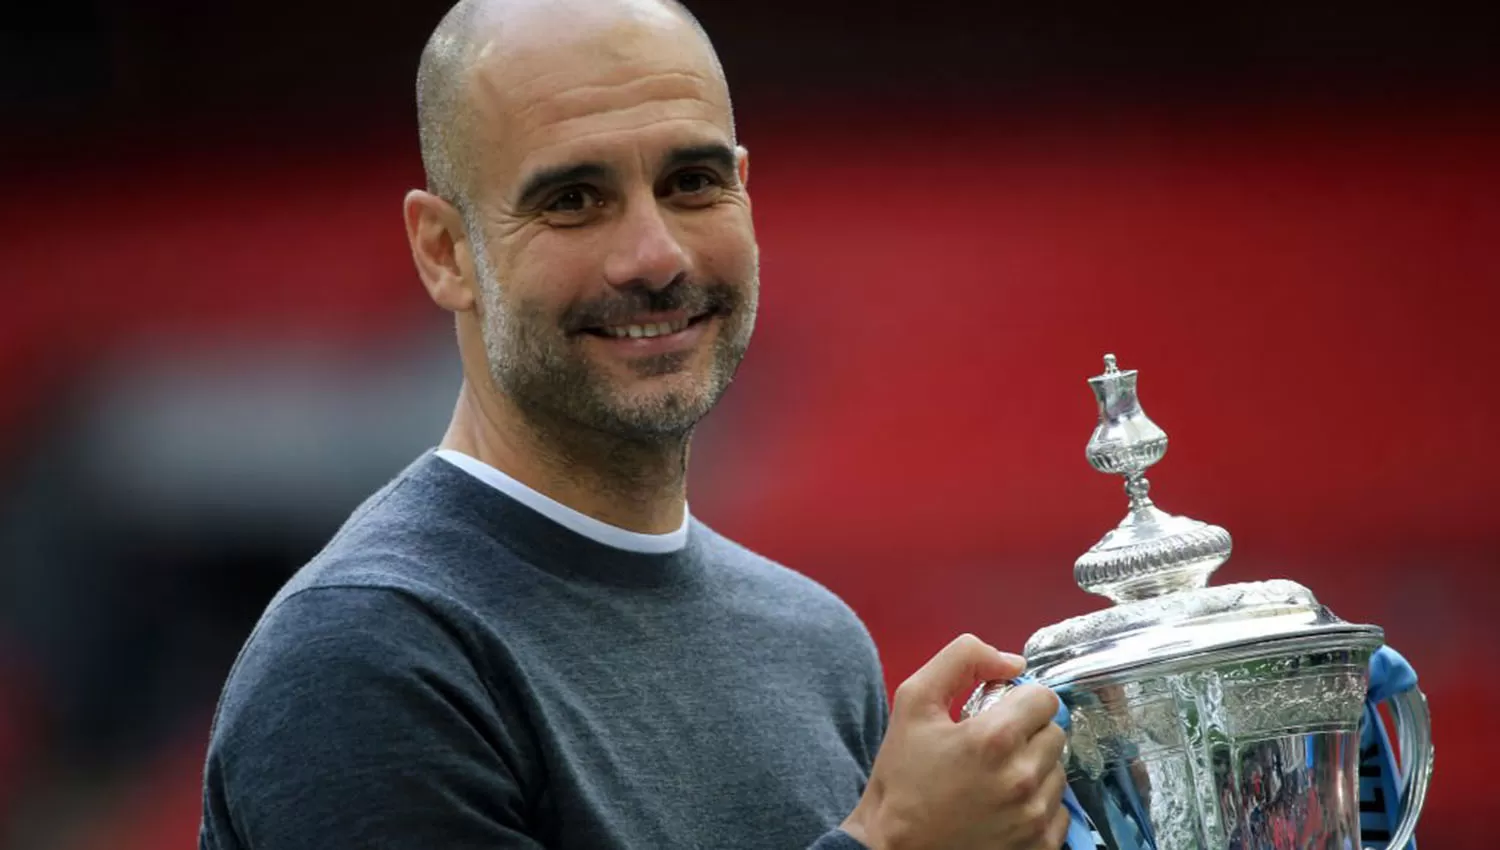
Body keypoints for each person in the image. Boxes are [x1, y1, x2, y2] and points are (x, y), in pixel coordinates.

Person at [197, 0, 1070, 847]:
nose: (656, 257)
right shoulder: (367, 654)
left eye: (692, 183)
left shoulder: (816, 644)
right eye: (574, 200)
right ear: (445, 252)